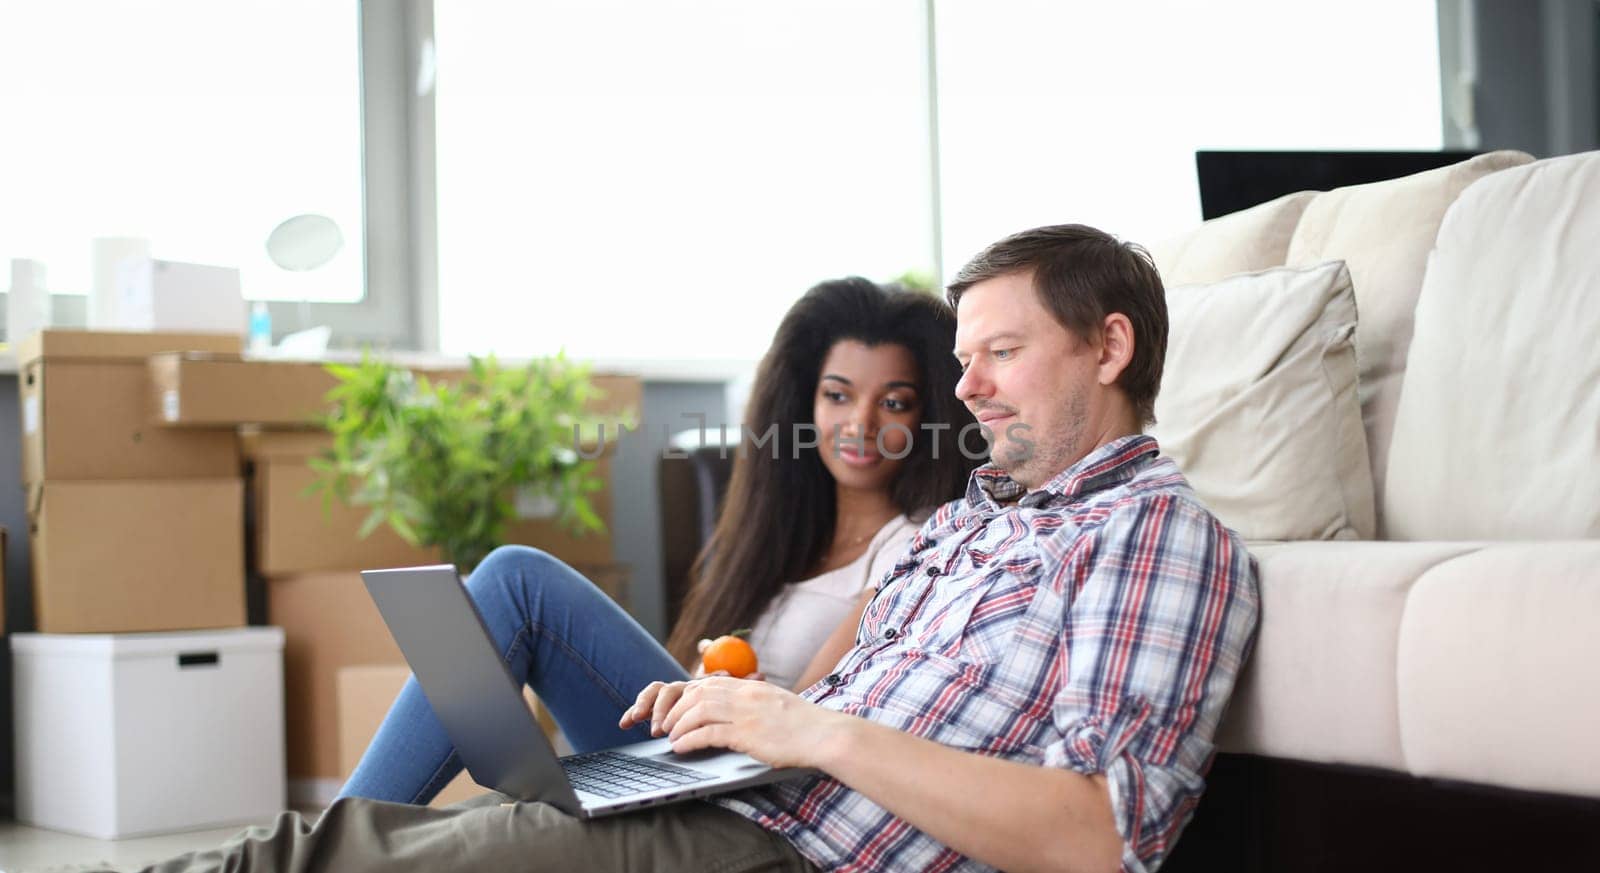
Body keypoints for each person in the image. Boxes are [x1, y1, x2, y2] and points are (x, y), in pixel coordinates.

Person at [131, 225, 1259, 873]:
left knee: (343, 860)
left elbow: (1107, 835)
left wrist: (807, 727)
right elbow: (835, 706)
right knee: (367, 840)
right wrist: (744, 717)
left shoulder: (1154, 539)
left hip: (786, 855)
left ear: (1108, 347)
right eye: (963, 360)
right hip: (741, 800)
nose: (966, 390)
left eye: (998, 354)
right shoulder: (979, 519)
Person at [336, 276, 982, 805]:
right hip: (704, 753)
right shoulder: (785, 539)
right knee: (508, 595)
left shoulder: (916, 544)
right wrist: (709, 675)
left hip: (763, 785)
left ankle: (333, 838)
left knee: (516, 580)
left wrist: (721, 688)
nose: (860, 423)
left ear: (925, 417)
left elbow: (811, 713)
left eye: (894, 403)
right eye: (838, 395)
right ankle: (346, 837)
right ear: (804, 405)